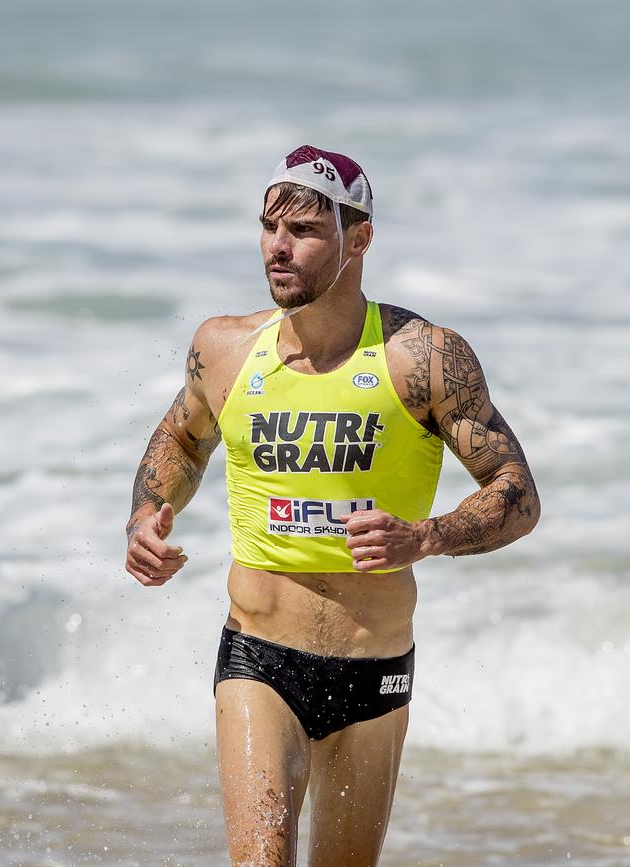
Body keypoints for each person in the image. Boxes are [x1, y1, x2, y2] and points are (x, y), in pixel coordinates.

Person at [125, 144, 540, 867]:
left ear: (361, 238)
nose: (278, 249)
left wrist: (427, 535)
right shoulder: (225, 349)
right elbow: (182, 441)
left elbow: (518, 493)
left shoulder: (425, 358)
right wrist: (145, 518)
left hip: (374, 670)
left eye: (305, 231)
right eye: (268, 228)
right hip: (258, 656)